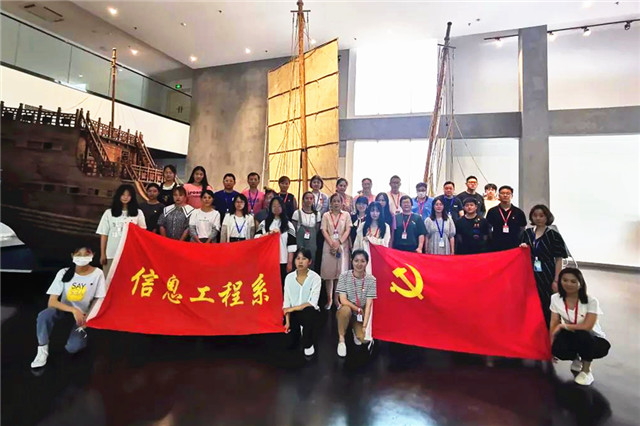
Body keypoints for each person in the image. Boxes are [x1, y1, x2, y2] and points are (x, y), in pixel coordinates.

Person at [31, 247, 107, 368]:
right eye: (79, 254)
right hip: (64, 310)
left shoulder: (98, 273)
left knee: (73, 347)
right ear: (72, 256)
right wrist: (73, 310)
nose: (82, 257)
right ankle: (42, 350)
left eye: (86, 253)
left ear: (93, 254)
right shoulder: (64, 272)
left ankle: (82, 336)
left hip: (83, 315)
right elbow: (52, 302)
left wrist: (89, 316)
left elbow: (98, 298)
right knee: (44, 315)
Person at [550, 268, 610, 386]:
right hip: (571, 333)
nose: (568, 284)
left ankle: (586, 370)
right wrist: (550, 347)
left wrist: (563, 325)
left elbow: (587, 326)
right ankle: (577, 358)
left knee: (582, 334)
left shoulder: (591, 301)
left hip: (592, 338)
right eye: (565, 280)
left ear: (581, 283)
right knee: (558, 348)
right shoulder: (555, 298)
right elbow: (553, 324)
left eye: (573, 281)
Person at [520, 205, 568, 326]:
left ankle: (548, 328)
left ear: (547, 217)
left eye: (541, 215)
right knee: (530, 300)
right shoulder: (527, 233)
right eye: (535, 215)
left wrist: (556, 280)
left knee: (547, 301)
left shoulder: (553, 235)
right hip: (530, 273)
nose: (538, 218)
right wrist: (522, 248)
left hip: (547, 272)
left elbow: (559, 259)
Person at [97, 184, 146, 276]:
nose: (125, 197)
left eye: (128, 195)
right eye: (123, 195)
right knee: (109, 279)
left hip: (130, 254)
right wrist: (103, 254)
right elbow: (104, 234)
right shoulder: (109, 213)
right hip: (111, 253)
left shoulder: (138, 213)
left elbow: (142, 234)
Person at [336, 250, 377, 357]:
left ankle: (356, 330)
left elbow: (369, 305)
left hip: (360, 315)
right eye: (356, 261)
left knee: (364, 339)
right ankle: (341, 339)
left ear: (367, 263)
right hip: (349, 310)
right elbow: (343, 300)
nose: (359, 264)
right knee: (345, 310)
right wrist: (357, 309)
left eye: (362, 261)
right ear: (351, 261)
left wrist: (365, 325)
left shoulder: (371, 280)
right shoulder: (344, 276)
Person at [283, 248, 322, 357]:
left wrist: (292, 309)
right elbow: (286, 303)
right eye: (298, 258)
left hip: (309, 313)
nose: (300, 262)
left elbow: (312, 303)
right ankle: (298, 330)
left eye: (304, 259)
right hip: (293, 314)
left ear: (309, 261)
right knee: (289, 344)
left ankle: (308, 343)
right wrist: (287, 322)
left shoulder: (315, 278)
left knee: (309, 312)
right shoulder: (289, 278)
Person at [321, 193, 353, 310]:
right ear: (330, 203)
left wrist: (339, 242)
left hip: (342, 245)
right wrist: (332, 243)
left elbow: (348, 230)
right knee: (328, 274)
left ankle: (336, 299)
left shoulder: (346, 215)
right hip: (328, 245)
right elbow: (324, 230)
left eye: (338, 201)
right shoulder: (326, 215)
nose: (336, 203)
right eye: (334, 201)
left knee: (339, 274)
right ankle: (329, 299)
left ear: (342, 203)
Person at [255, 197, 297, 287]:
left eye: (279, 206)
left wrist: (290, 262)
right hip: (267, 260)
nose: (276, 208)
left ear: (283, 207)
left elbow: (292, 245)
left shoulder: (288, 225)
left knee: (281, 285)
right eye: (274, 206)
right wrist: (269, 234)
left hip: (283, 260)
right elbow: (256, 238)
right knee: (268, 285)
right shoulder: (264, 223)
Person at [485, 185, 527, 252]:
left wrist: (520, 241)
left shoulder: (519, 212)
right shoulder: (492, 211)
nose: (505, 195)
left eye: (508, 193)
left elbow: (522, 229)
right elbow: (488, 228)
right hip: (496, 245)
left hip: (514, 245)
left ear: (511, 196)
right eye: (502, 193)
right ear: (499, 195)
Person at [353, 202, 391, 274]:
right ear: (369, 212)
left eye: (377, 211)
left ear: (380, 212)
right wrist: (355, 258)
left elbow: (385, 243)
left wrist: (370, 239)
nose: (375, 213)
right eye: (372, 211)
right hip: (364, 258)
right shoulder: (363, 225)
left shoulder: (386, 226)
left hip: (379, 258)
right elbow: (357, 243)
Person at [292, 191, 321, 262]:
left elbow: (317, 230)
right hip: (299, 241)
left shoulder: (317, 214)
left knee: (311, 259)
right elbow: (293, 230)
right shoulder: (297, 213)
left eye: (311, 198)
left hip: (312, 242)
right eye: (307, 198)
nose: (309, 200)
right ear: (303, 200)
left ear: (313, 200)